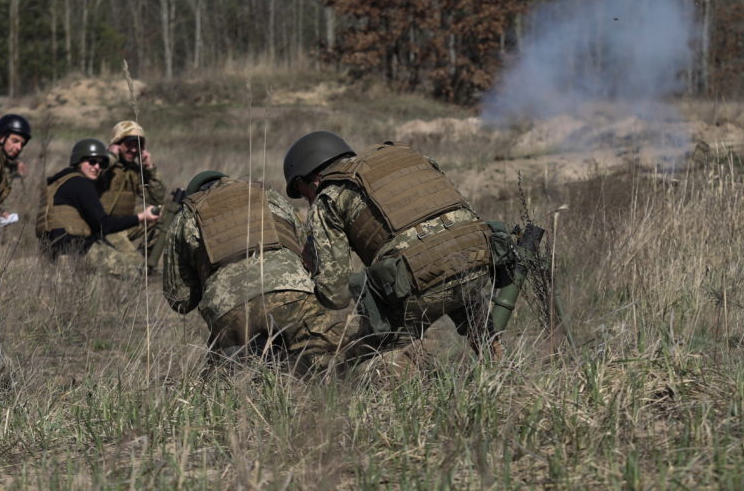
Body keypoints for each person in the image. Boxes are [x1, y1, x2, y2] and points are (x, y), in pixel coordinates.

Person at [283, 131, 495, 358]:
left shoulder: (328, 197)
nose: (308, 201)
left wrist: (314, 267)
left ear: (309, 179)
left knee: (366, 349)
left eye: (305, 195)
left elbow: (335, 294)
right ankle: (497, 358)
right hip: (481, 262)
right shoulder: (408, 160)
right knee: (453, 269)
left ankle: (405, 369)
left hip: (421, 286)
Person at [161, 170, 346, 372]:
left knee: (230, 389)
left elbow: (179, 298)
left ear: (194, 194)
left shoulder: (185, 216)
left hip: (229, 311)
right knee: (334, 364)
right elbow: (306, 254)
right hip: (293, 294)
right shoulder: (270, 195)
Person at [36, 138, 160, 273]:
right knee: (136, 271)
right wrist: (141, 217)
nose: (97, 167)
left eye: (101, 164)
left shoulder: (60, 181)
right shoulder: (80, 184)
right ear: (78, 161)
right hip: (76, 250)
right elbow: (103, 225)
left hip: (53, 250)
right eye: (92, 162)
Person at [98, 120, 175, 268]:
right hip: (106, 228)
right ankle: (140, 267)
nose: (133, 150)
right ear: (117, 143)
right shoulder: (100, 165)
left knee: (161, 212)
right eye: (129, 144)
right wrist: (111, 156)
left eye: (138, 145)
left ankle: (148, 263)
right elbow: (95, 174)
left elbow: (156, 199)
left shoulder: (134, 170)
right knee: (135, 266)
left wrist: (149, 168)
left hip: (125, 224)